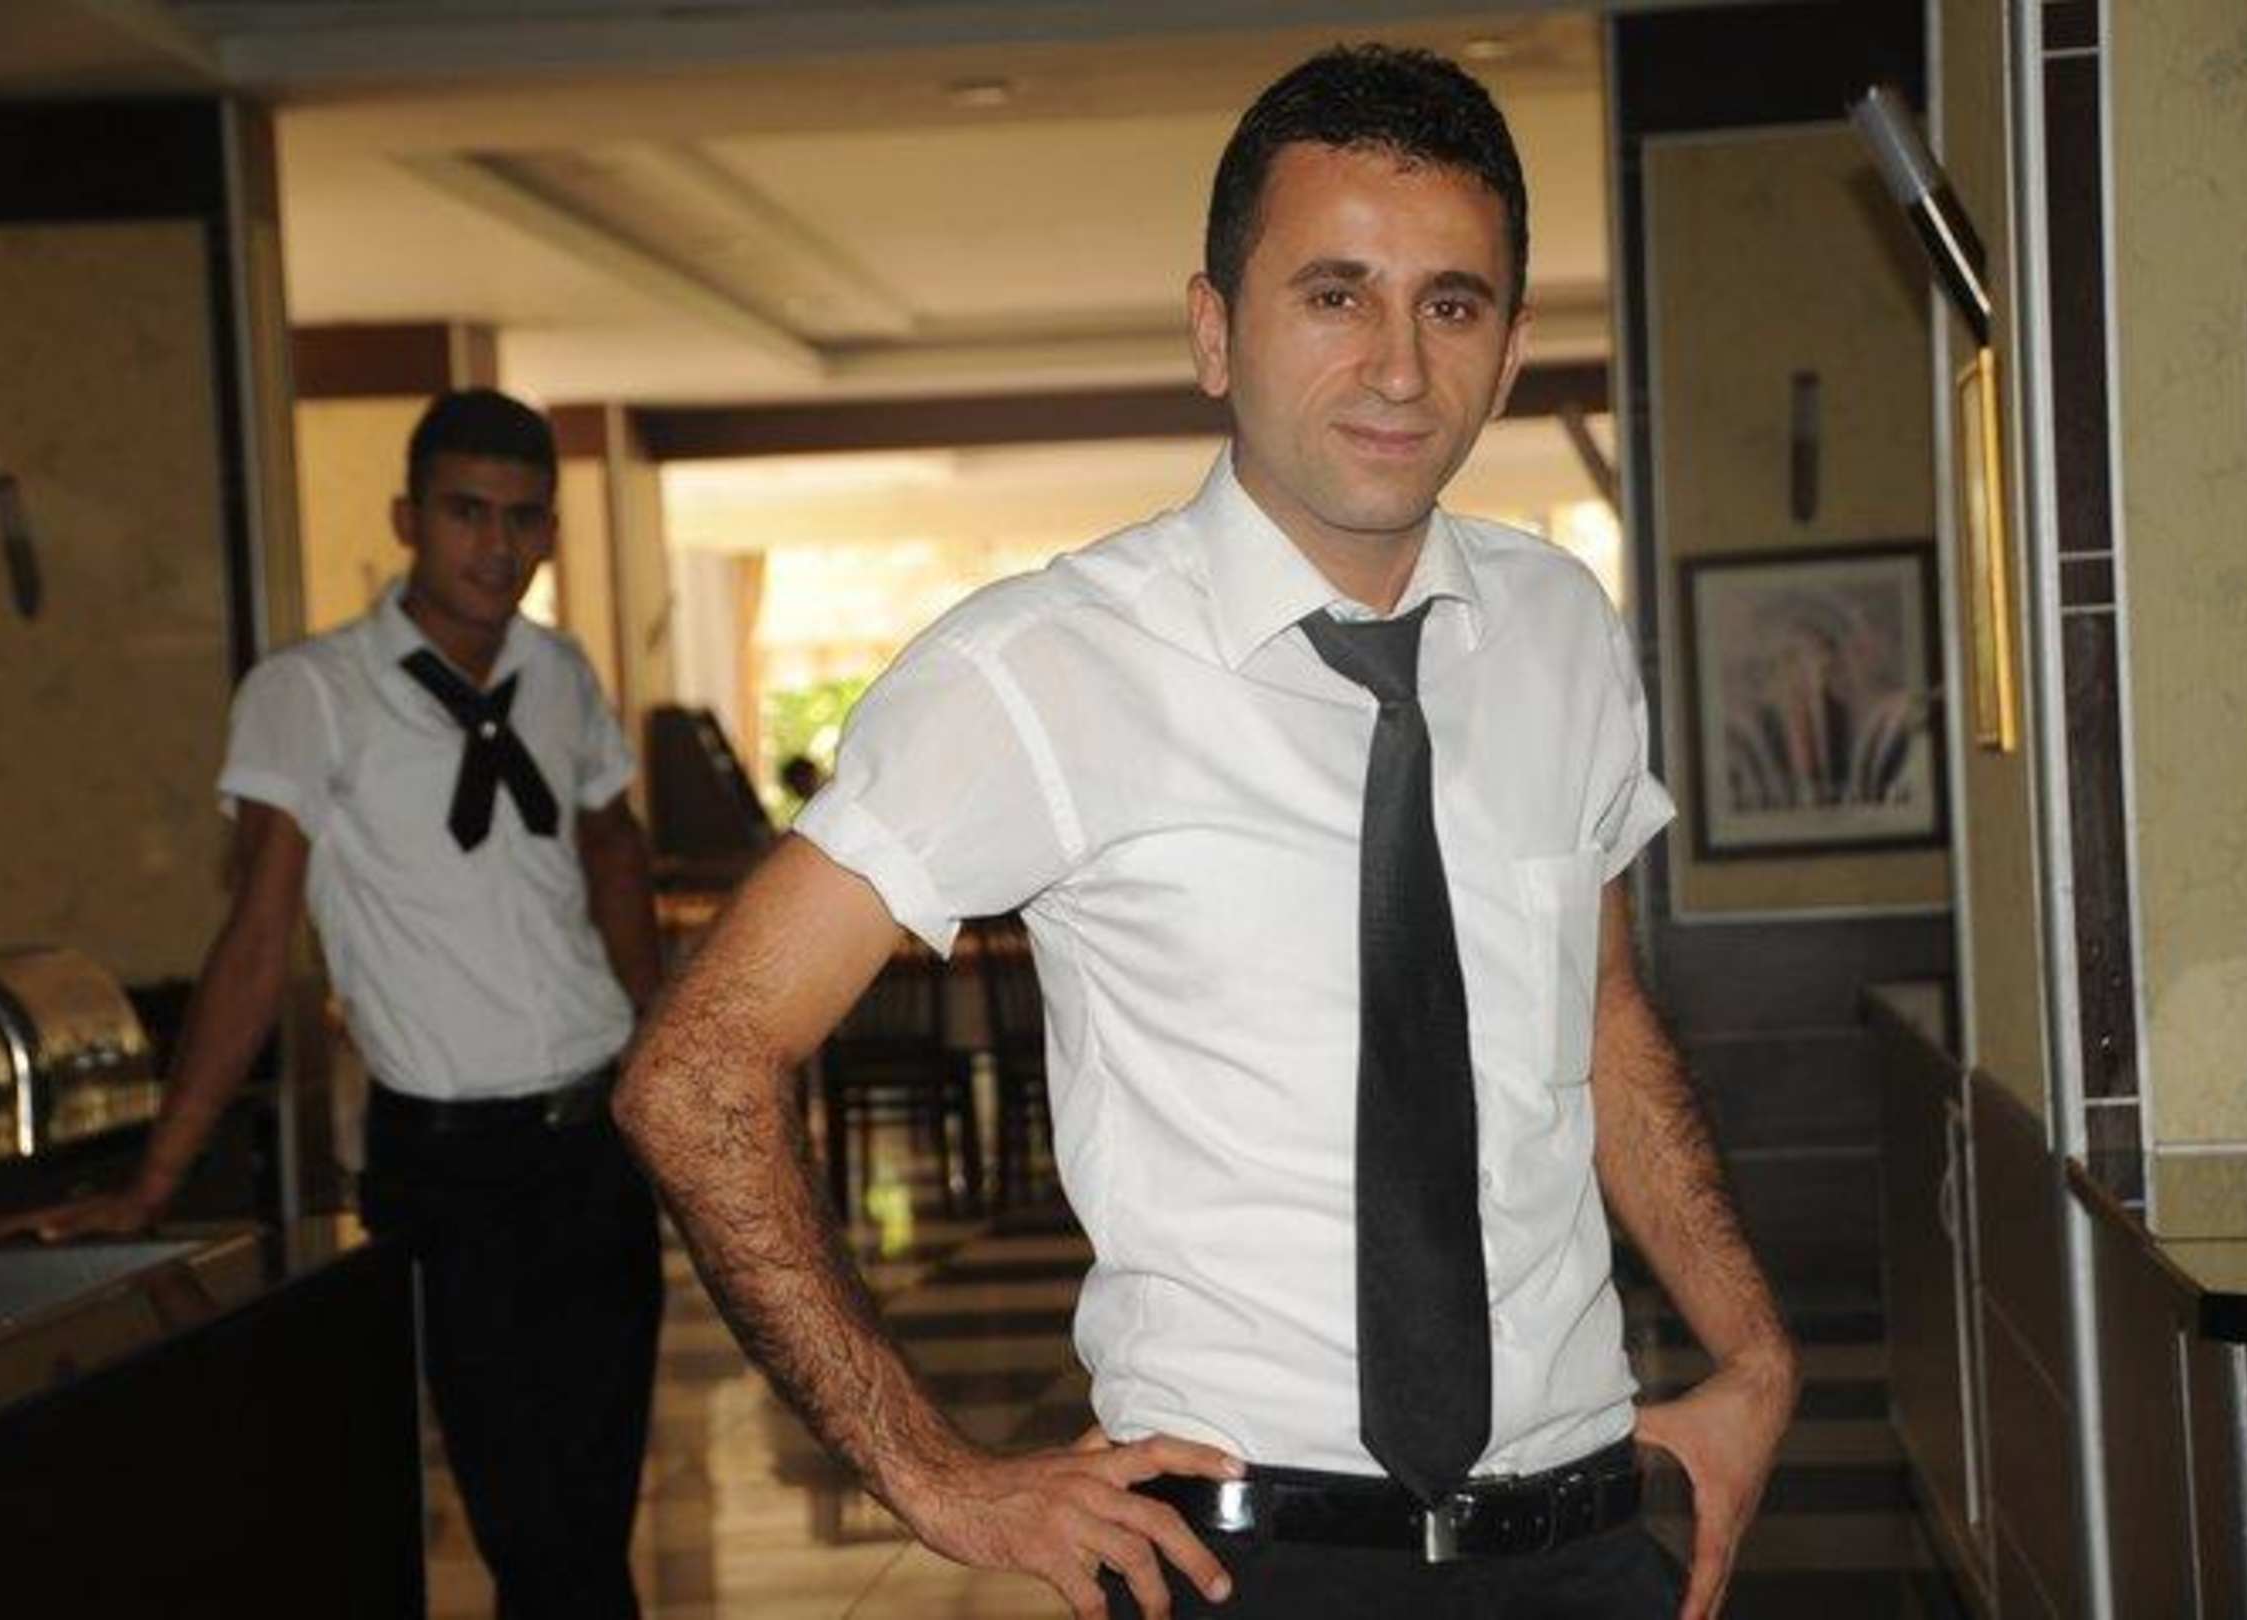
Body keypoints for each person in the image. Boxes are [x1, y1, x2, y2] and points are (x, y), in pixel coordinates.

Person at [617, 45, 1796, 1620]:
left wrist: (1755, 1356)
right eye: (1335, 295)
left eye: (1451, 305)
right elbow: (699, 1069)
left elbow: (1602, 1018)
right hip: (1247, 1562)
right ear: (1214, 330)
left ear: (1512, 350)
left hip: (1581, 1545)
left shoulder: (1560, 629)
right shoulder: (1042, 669)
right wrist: (933, 1474)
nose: (1398, 367)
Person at [0, 390, 667, 1620]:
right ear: (408, 518)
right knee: (529, 1524)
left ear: (550, 532)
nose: (496, 546)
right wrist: (156, 1178)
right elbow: (257, 937)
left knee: (594, 1514)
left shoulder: (558, 672)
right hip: (452, 1162)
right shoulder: (310, 692)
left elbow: (614, 848)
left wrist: (663, 1052)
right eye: (466, 513)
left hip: (595, 1142)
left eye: (523, 519)